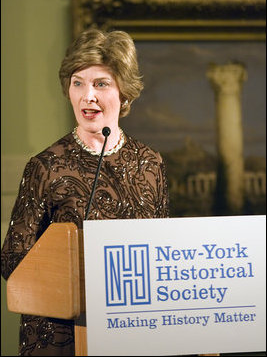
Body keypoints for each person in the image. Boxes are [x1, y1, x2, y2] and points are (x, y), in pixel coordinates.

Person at [1, 28, 169, 356]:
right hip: (60, 335)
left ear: (125, 91)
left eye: (100, 83)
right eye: (78, 82)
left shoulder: (151, 163)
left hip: (132, 332)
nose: (86, 95)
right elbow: (12, 260)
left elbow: (161, 252)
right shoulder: (46, 166)